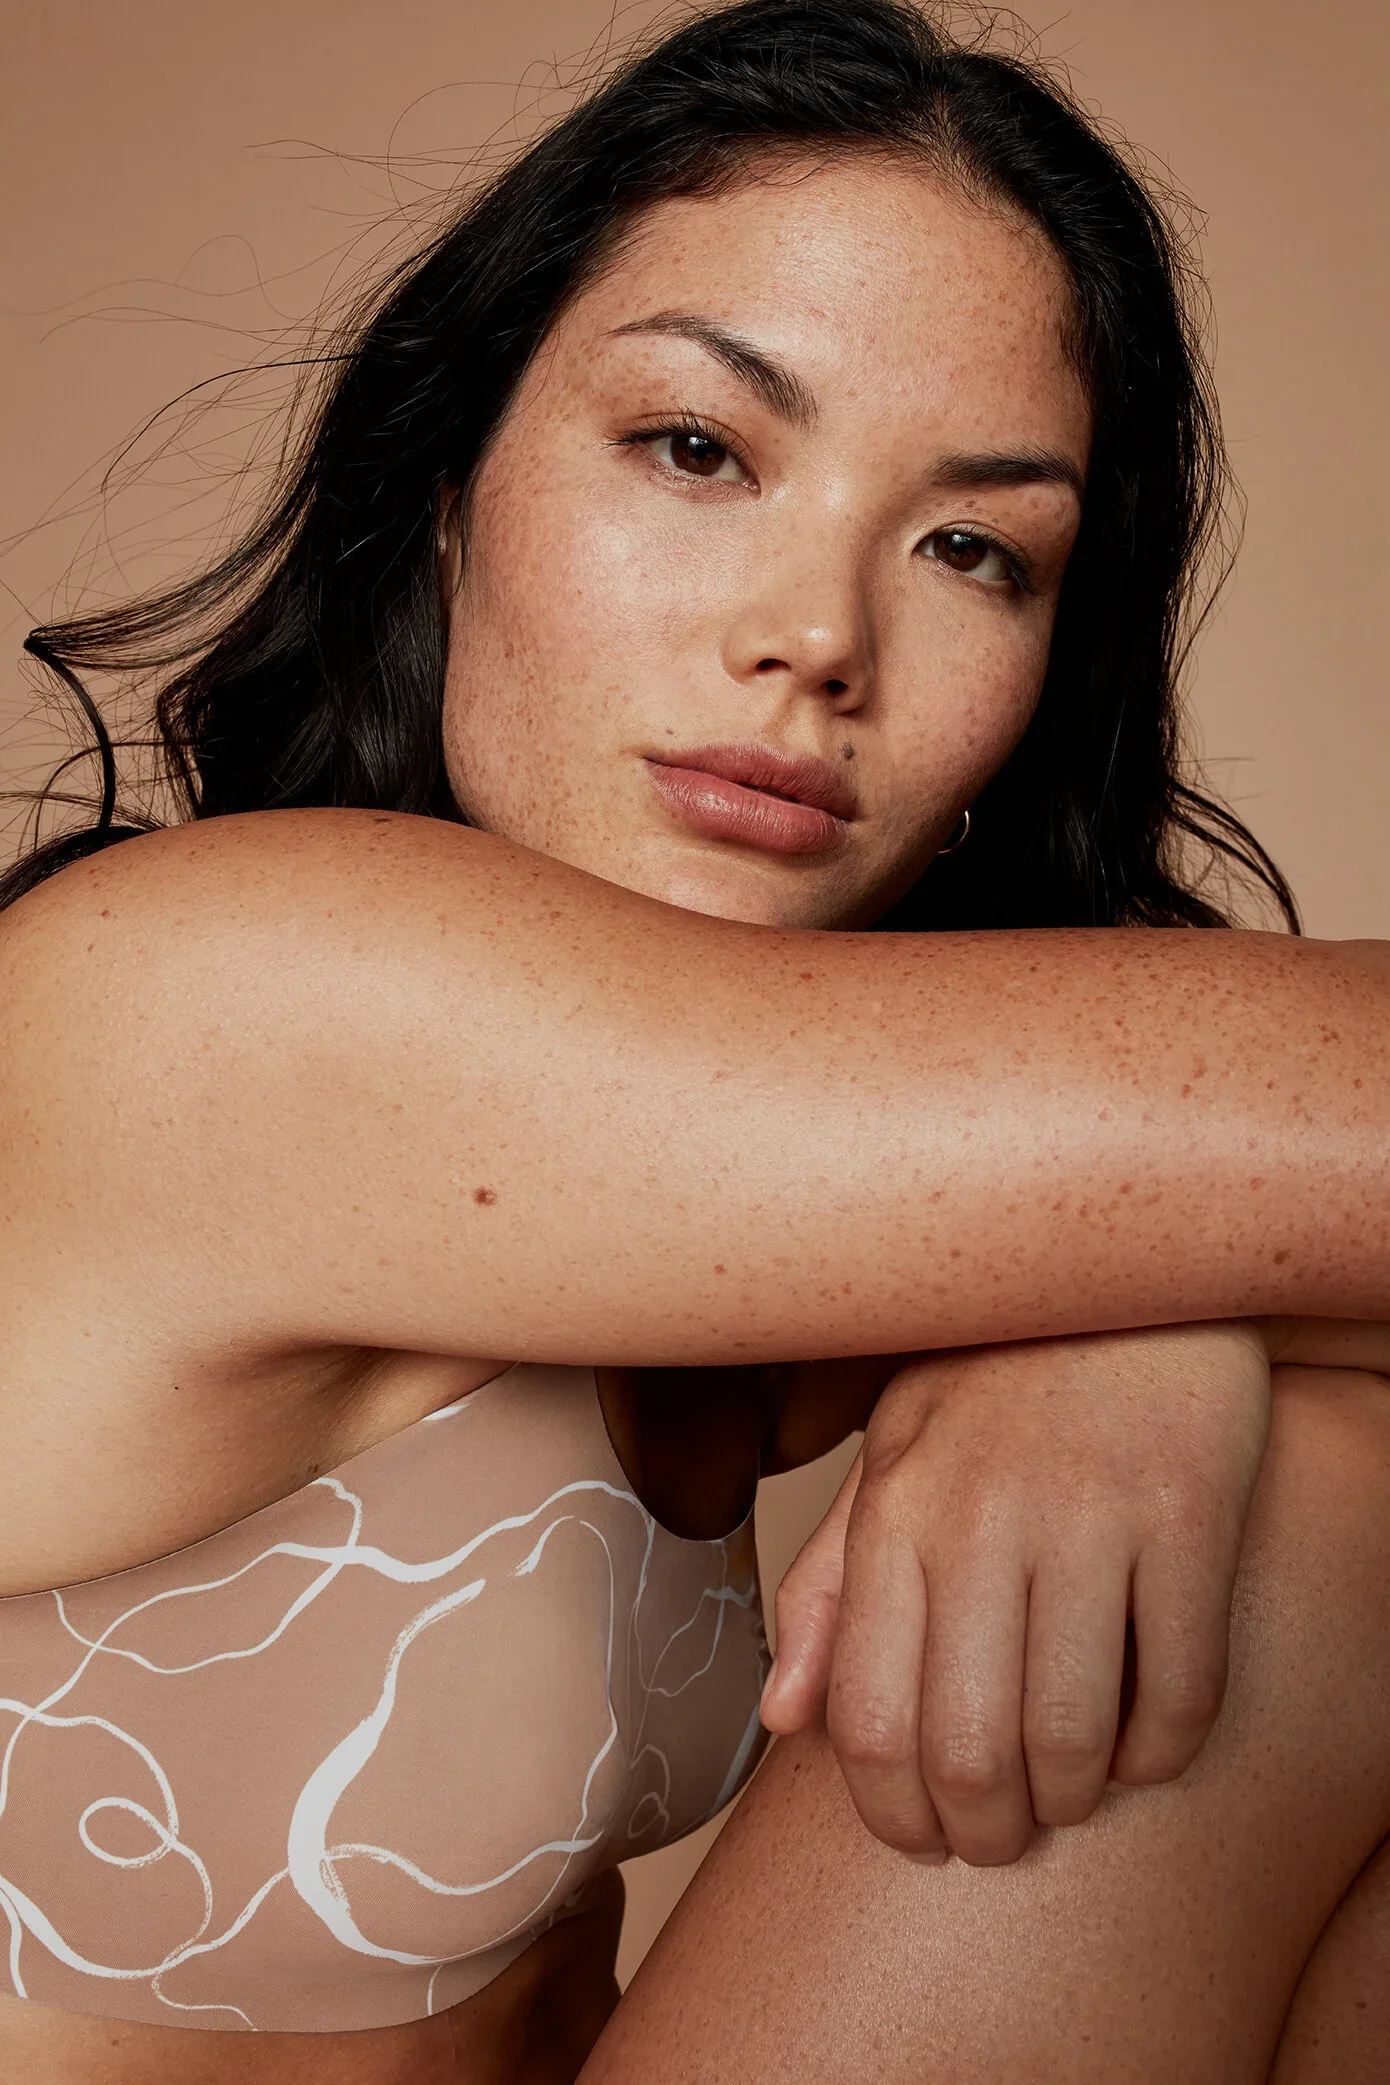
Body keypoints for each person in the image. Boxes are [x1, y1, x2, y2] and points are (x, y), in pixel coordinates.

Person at [0, 2, 1385, 2080]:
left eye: (969, 548)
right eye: (695, 449)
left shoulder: (732, 1239)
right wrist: (1165, 1295)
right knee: (1320, 1518)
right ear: (447, 489)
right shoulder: (218, 982)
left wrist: (1123, 1327)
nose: (817, 634)